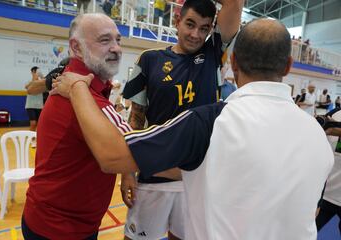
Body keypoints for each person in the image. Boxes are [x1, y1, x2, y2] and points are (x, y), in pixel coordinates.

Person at [54, 18, 334, 240]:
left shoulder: (210, 123)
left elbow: (109, 154)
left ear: (233, 64)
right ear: (288, 66)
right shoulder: (318, 136)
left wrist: (78, 86)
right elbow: (313, 210)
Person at [122, 0, 243, 239]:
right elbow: (135, 120)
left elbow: (235, 3)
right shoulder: (150, 59)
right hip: (154, 175)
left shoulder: (212, 53)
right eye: (190, 24)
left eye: (204, 28)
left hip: (196, 179)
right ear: (177, 21)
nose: (195, 34)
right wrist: (126, 171)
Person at [21, 13, 131, 240]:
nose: (117, 48)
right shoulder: (82, 96)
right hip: (60, 230)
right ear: (76, 48)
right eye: (105, 40)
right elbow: (133, 149)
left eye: (118, 40)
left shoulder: (79, 86)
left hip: (60, 222)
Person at [24, 66, 44, 147]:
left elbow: (47, 86)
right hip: (30, 105)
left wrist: (42, 77)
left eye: (37, 72)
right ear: (32, 72)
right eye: (35, 72)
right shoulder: (29, 81)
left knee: (39, 124)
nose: (36, 73)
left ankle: (38, 140)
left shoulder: (41, 81)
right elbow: (27, 87)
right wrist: (33, 79)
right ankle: (32, 140)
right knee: (33, 123)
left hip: (39, 106)